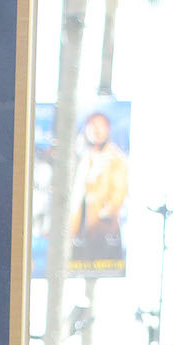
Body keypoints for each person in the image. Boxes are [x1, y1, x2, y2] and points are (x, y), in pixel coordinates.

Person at [69, 110, 129, 268]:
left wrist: (104, 214)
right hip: (79, 232)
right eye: (92, 126)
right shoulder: (82, 158)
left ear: (108, 129)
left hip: (102, 232)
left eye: (101, 126)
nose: (96, 130)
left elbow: (118, 195)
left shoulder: (116, 159)